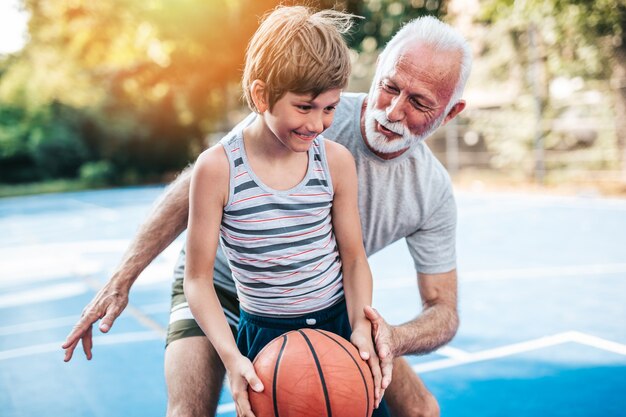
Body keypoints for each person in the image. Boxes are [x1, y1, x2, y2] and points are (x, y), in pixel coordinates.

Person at [62, 12, 472, 417]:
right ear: (379, 69)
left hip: (320, 297)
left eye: (419, 102)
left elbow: (438, 306)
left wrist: (389, 336)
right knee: (187, 411)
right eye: (389, 87)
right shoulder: (296, 107)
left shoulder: (420, 187)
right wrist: (120, 280)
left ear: (450, 113)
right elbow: (187, 197)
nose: (395, 110)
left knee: (420, 408)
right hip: (223, 286)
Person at [183, 6, 388, 417]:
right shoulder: (217, 169)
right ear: (261, 95)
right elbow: (198, 279)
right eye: (305, 107)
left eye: (329, 108)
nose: (318, 123)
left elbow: (353, 258)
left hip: (338, 326)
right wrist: (229, 356)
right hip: (264, 337)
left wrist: (361, 325)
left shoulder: (335, 161)